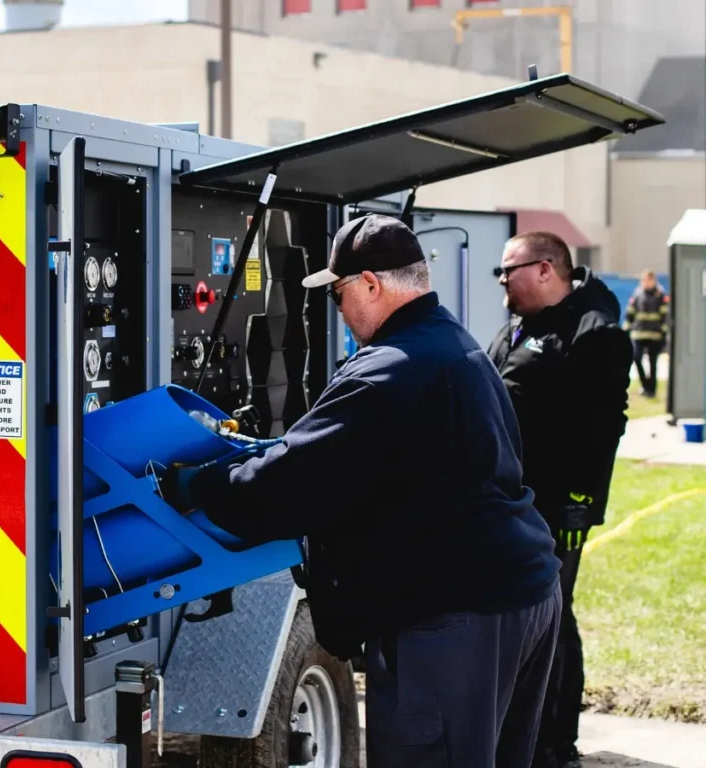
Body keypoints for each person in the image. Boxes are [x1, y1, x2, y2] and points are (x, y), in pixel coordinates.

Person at [164, 214, 562, 767]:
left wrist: (196, 484)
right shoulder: (454, 344)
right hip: (520, 594)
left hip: (456, 615)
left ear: (372, 285)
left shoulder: (389, 369)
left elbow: (292, 482)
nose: (341, 313)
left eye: (339, 295)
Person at [487, 232, 633, 768]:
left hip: (556, 505)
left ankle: (553, 740)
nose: (502, 281)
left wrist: (580, 498)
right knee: (516, 614)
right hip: (509, 500)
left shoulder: (594, 331)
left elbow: (605, 423)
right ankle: (518, 730)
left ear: (546, 269)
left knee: (552, 615)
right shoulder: (517, 325)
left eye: (510, 270)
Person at [623, 269, 669, 398]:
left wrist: (664, 333)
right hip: (639, 334)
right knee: (636, 358)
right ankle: (645, 384)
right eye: (645, 280)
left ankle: (651, 390)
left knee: (653, 363)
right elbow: (630, 314)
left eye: (649, 280)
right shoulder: (637, 294)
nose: (647, 282)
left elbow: (665, 316)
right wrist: (625, 330)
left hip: (655, 335)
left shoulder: (660, 296)